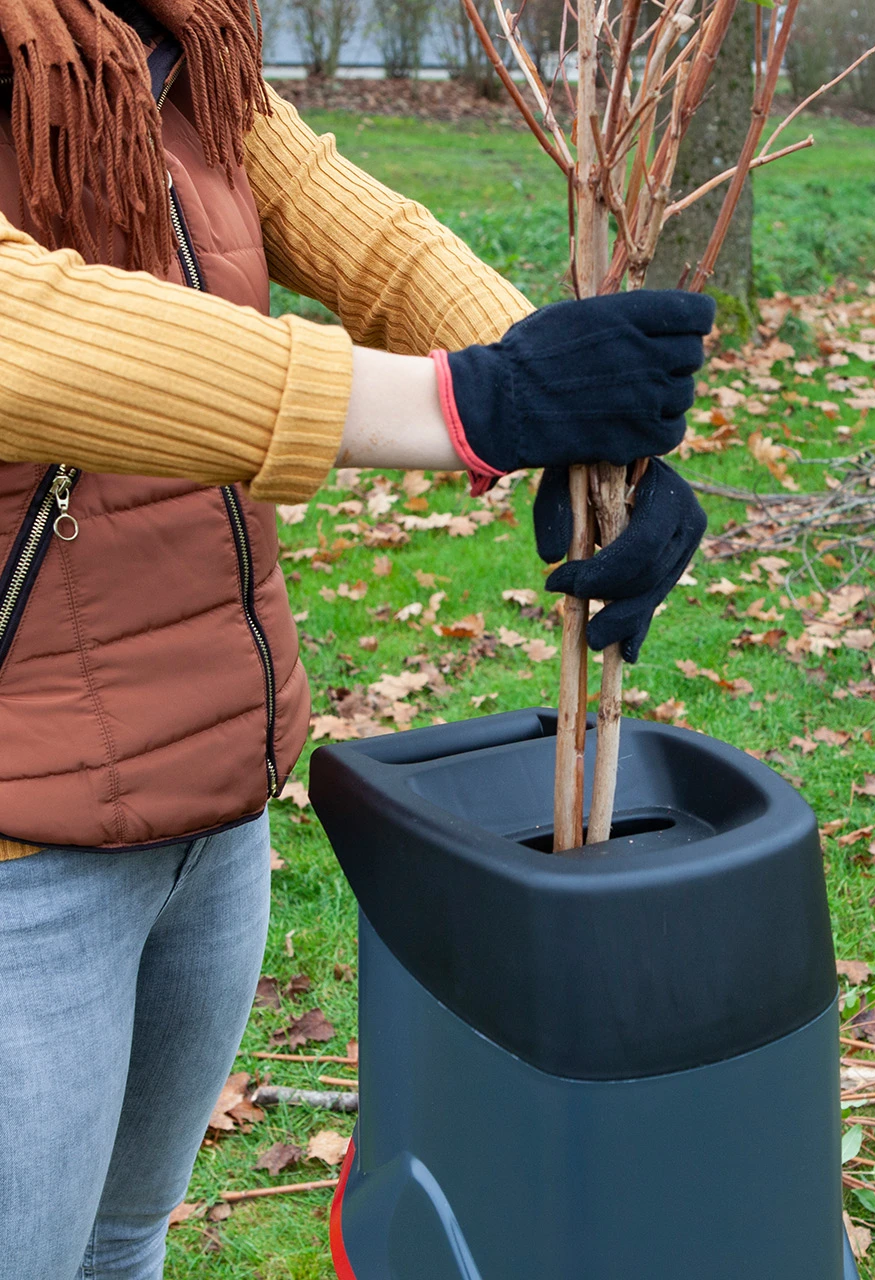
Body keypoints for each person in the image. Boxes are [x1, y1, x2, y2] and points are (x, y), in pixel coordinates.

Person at [0, 2, 712, 1276]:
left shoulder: (164, 35)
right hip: (17, 858)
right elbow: (30, 331)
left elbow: (362, 235)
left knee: (121, 1240)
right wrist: (463, 408)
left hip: (206, 790)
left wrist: (578, 416)